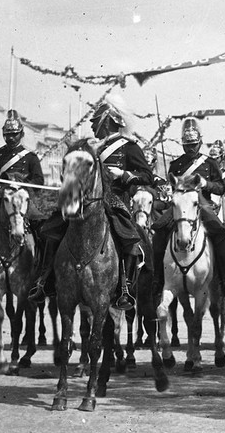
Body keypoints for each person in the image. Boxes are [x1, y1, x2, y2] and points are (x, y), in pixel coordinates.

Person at [35, 100, 152, 309]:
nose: (91, 126)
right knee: (50, 231)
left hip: (115, 201)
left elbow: (147, 176)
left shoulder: (129, 147)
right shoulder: (88, 148)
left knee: (131, 241)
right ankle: (45, 280)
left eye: (95, 121)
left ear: (107, 122)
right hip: (82, 200)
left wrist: (124, 174)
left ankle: (125, 287)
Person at [152, 119, 225, 300]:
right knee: (158, 230)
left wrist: (206, 183)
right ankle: (158, 279)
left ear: (200, 143)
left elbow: (221, 188)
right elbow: (173, 188)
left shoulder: (210, 163)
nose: (190, 148)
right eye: (187, 145)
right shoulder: (175, 165)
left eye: (194, 145)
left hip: (202, 204)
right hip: (181, 207)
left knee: (220, 232)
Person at [0, 109, 46, 292]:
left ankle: (41, 274)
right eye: (7, 134)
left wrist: (21, 182)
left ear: (21, 134)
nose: (11, 138)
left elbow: (38, 181)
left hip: (22, 199)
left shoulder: (30, 157)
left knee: (42, 231)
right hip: (1, 198)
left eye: (14, 134)